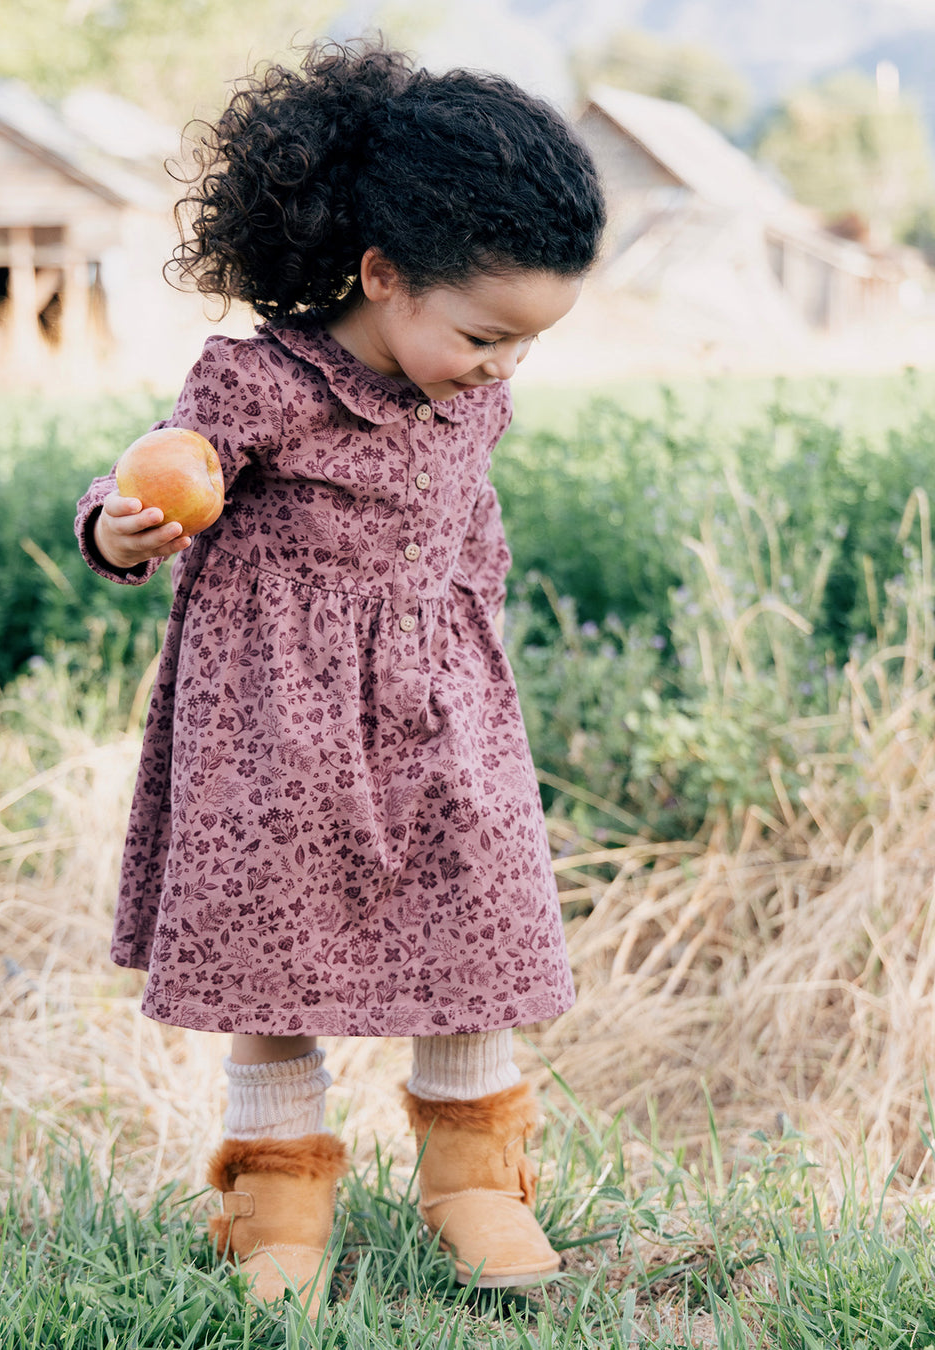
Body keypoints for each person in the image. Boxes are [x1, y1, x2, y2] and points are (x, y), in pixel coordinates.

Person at [75, 41, 605, 1314]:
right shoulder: (258, 379)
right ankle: (276, 1205)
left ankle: (476, 1182)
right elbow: (155, 469)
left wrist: (461, 638)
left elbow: (463, 522)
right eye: (485, 335)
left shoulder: (466, 390)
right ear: (383, 275)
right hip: (275, 723)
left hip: (442, 705)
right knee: (278, 952)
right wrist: (118, 526)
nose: (500, 368)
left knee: (471, 926)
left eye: (524, 345)